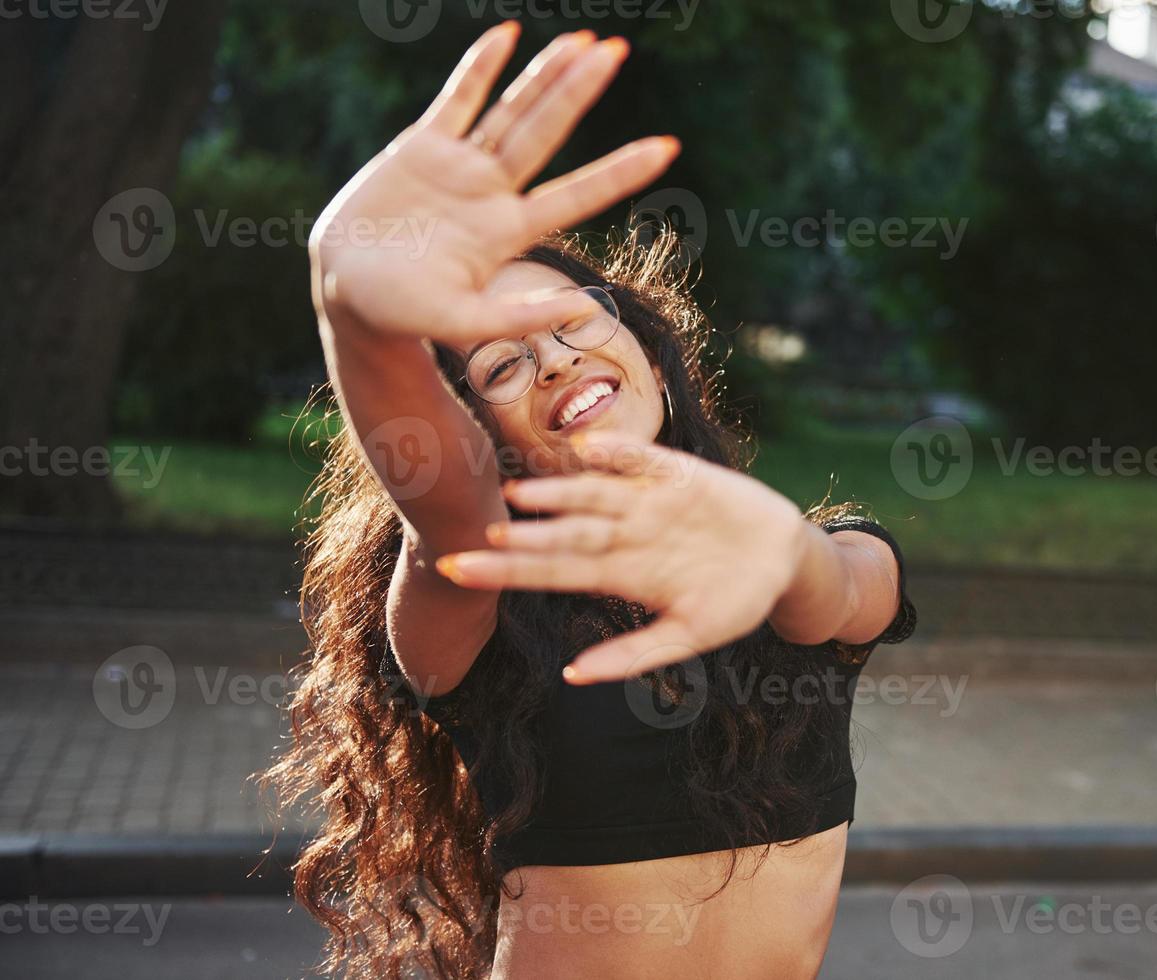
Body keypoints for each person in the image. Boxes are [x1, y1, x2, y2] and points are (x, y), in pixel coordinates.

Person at [262, 22, 916, 980]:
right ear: (481, 436)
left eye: (570, 325)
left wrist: (787, 554)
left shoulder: (822, 557)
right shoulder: (473, 598)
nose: (555, 357)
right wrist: (358, 318)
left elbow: (844, 589)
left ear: (647, 353)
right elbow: (444, 505)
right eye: (500, 360)